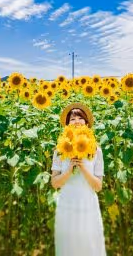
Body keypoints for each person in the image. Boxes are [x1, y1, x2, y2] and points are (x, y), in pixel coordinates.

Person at [51, 103, 106, 256]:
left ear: (87, 123)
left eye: (80, 118)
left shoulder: (96, 150)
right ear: (67, 124)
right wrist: (69, 170)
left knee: (90, 246)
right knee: (67, 247)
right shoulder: (60, 150)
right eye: (72, 118)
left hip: (88, 203)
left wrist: (82, 167)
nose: (76, 121)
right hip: (67, 204)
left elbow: (98, 186)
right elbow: (55, 184)